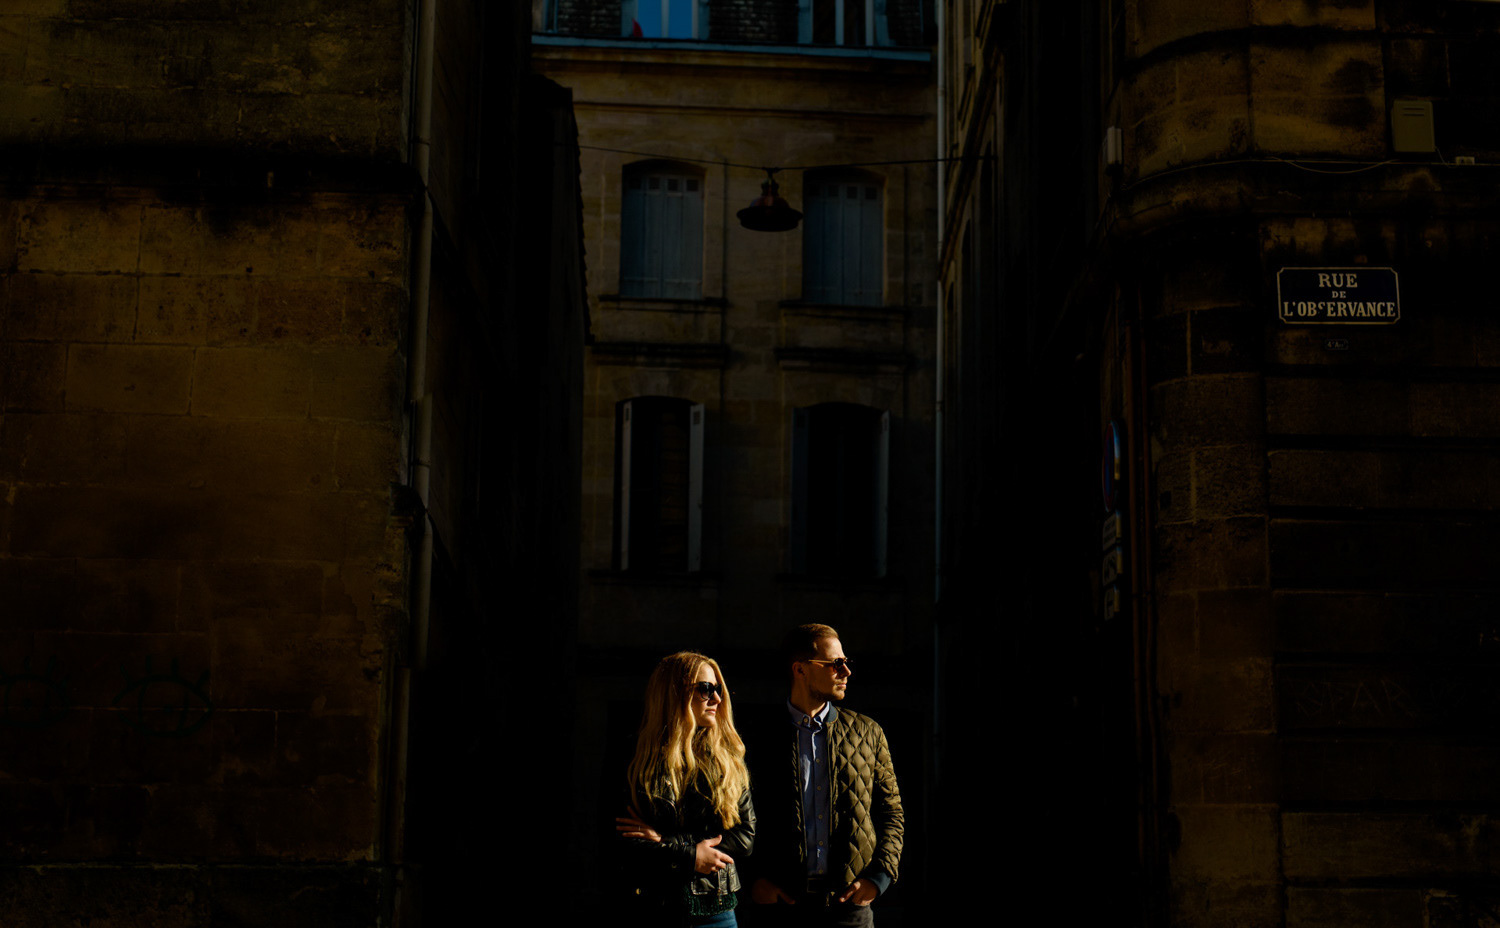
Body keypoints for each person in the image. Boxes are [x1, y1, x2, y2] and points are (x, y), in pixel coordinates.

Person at [745, 624, 903, 927]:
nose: (846, 672)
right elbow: (733, 814)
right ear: (800, 669)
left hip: (850, 908)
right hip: (779, 908)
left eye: (846, 662)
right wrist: (753, 880)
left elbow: (891, 812)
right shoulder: (757, 735)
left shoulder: (867, 732)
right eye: (835, 663)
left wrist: (879, 878)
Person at [616, 651, 756, 927]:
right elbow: (626, 839)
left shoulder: (727, 758)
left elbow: (745, 837)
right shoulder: (635, 758)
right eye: (705, 689)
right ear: (673, 694)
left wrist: (669, 843)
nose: (717, 699)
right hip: (654, 907)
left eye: (717, 689)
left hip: (717, 911)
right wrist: (690, 855)